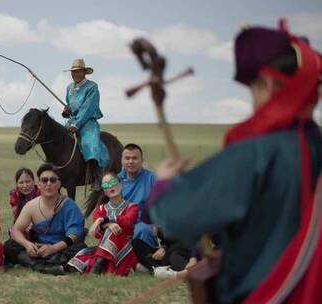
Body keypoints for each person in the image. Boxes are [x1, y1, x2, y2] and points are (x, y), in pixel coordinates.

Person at [147, 23, 322, 303]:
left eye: (253, 88)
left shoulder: (254, 154)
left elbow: (177, 218)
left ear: (268, 84)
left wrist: (165, 185)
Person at [3, 163, 86, 275]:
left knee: (80, 249)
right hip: (39, 248)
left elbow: (74, 235)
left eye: (52, 180)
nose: (48, 184)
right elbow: (16, 230)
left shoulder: (69, 205)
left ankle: (36, 263)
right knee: (9, 245)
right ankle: (43, 266)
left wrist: (53, 248)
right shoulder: (31, 206)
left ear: (59, 184)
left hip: (61, 247)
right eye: (44, 180)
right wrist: (28, 245)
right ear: (39, 184)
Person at [67, 172, 138, 276]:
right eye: (105, 185)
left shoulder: (132, 207)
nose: (110, 186)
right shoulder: (100, 209)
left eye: (113, 182)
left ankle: (96, 268)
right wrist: (109, 225)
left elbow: (128, 221)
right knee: (83, 255)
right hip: (104, 250)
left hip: (125, 247)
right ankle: (100, 263)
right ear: (104, 191)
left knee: (112, 231)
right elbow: (96, 234)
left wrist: (105, 220)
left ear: (120, 184)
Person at [62, 58, 109, 190]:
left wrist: (76, 125)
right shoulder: (69, 88)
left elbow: (87, 108)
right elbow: (70, 106)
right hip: (73, 121)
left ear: (84, 72)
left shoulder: (92, 87)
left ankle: (97, 177)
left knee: (90, 143)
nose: (75, 74)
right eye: (73, 72)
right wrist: (66, 111)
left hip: (88, 121)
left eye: (77, 71)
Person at [117, 144, 158, 265]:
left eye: (135, 158)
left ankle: (142, 261)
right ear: (122, 160)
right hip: (121, 221)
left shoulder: (152, 178)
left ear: (142, 160)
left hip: (143, 221)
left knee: (143, 230)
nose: (130, 161)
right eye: (127, 158)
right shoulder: (115, 180)